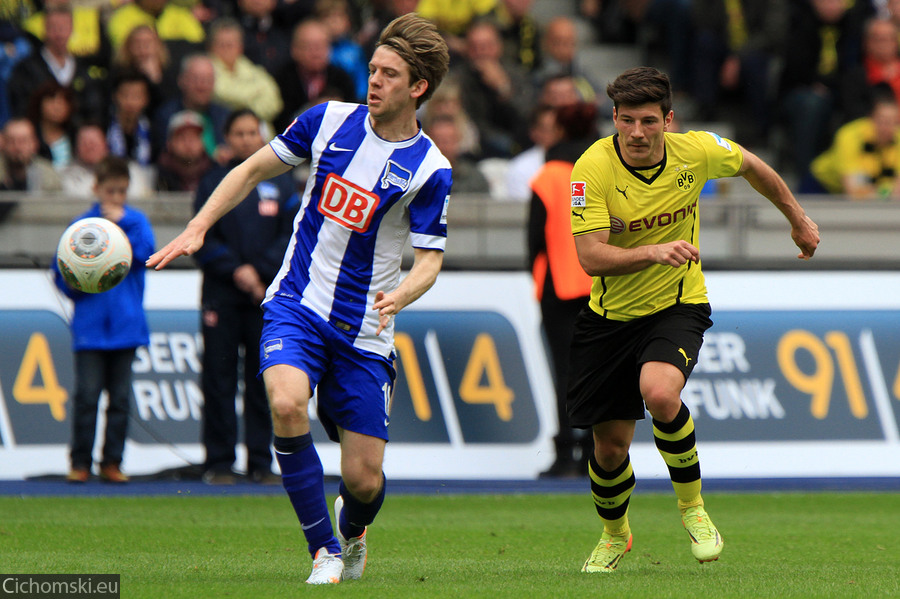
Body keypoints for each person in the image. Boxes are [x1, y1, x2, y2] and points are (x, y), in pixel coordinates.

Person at [147, 13, 451, 584]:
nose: (375, 80)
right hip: (297, 303)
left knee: (363, 481)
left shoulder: (431, 168)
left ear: (418, 88)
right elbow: (246, 170)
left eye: (390, 74)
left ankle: (353, 529)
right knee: (285, 404)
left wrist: (401, 296)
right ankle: (323, 551)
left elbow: (430, 260)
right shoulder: (328, 120)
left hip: (365, 328)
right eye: (373, 69)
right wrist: (199, 227)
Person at [568, 67, 819, 573]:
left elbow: (754, 168)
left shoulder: (697, 150)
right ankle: (615, 536)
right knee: (610, 449)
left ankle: (693, 508)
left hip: (677, 304)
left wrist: (797, 218)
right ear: (613, 118)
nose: (637, 133)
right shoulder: (590, 169)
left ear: (668, 120)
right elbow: (590, 258)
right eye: (626, 121)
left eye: (648, 121)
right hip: (609, 317)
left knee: (661, 394)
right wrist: (653, 250)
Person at [192, 108, 298, 485]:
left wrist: (259, 272)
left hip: (265, 297)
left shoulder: (283, 183)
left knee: (263, 380)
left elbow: (292, 236)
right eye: (238, 133)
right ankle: (219, 462)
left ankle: (259, 462)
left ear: (262, 136)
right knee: (218, 379)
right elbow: (201, 238)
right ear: (226, 139)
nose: (246, 139)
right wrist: (238, 271)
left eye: (252, 132)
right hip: (222, 296)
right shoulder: (212, 182)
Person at [53, 156, 155, 483]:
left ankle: (112, 462)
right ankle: (80, 462)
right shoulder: (81, 227)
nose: (116, 198)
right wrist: (81, 282)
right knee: (86, 397)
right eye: (110, 190)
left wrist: (121, 226)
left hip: (126, 327)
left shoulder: (136, 222)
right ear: (96, 188)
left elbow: (147, 254)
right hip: (90, 328)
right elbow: (61, 275)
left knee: (121, 400)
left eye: (122, 191)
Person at [528, 102, 595, 478]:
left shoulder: (549, 173)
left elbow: (534, 237)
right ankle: (593, 452)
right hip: (600, 283)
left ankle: (564, 452)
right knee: (596, 371)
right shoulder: (601, 170)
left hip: (558, 287)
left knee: (564, 373)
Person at [802, 86, 900, 200]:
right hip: (821, 185)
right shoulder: (849, 135)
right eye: (882, 120)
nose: (886, 127)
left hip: (870, 193)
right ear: (871, 117)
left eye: (893, 121)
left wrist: (881, 192)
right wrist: (886, 191)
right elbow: (853, 190)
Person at [156, 110, 214, 192]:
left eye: (193, 137)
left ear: (203, 142)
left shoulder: (215, 173)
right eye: (182, 138)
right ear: (169, 143)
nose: (188, 144)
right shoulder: (157, 174)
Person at [0, 117, 62, 192]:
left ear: (35, 144)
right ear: (3, 144)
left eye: (23, 141)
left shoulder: (49, 175)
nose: (17, 147)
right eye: (11, 141)